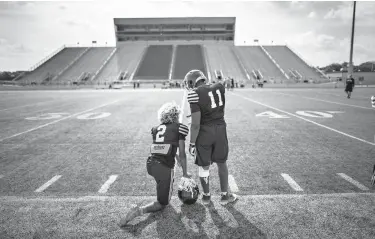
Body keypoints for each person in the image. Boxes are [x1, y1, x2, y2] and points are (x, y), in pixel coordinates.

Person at [119, 102, 190, 226]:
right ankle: (139, 211)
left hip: (151, 164)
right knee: (162, 203)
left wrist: (176, 157)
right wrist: (184, 173)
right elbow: (183, 153)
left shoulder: (156, 129)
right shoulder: (179, 127)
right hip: (163, 168)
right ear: (175, 115)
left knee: (162, 184)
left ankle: (162, 188)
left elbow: (162, 146)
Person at [184, 69, 238, 205]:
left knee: (204, 166)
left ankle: (207, 197)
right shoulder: (219, 86)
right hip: (220, 129)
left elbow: (196, 124)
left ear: (192, 82)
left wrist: (191, 143)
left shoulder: (194, 94)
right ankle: (225, 196)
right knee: (222, 163)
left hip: (204, 132)